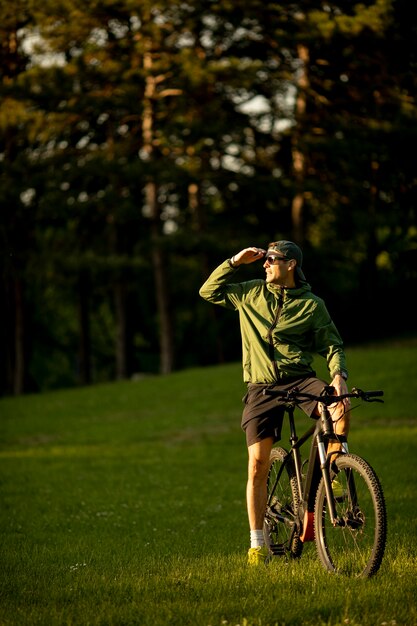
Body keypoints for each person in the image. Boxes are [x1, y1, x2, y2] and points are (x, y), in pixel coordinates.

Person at [199, 240, 350, 565]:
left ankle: (331, 476)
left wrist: (338, 375)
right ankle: (257, 544)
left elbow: (333, 344)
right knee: (257, 465)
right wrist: (235, 261)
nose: (265, 264)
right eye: (264, 260)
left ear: (291, 264)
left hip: (300, 377)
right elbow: (208, 291)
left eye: (272, 260)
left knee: (339, 406)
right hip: (261, 386)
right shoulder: (250, 292)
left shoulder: (311, 304)